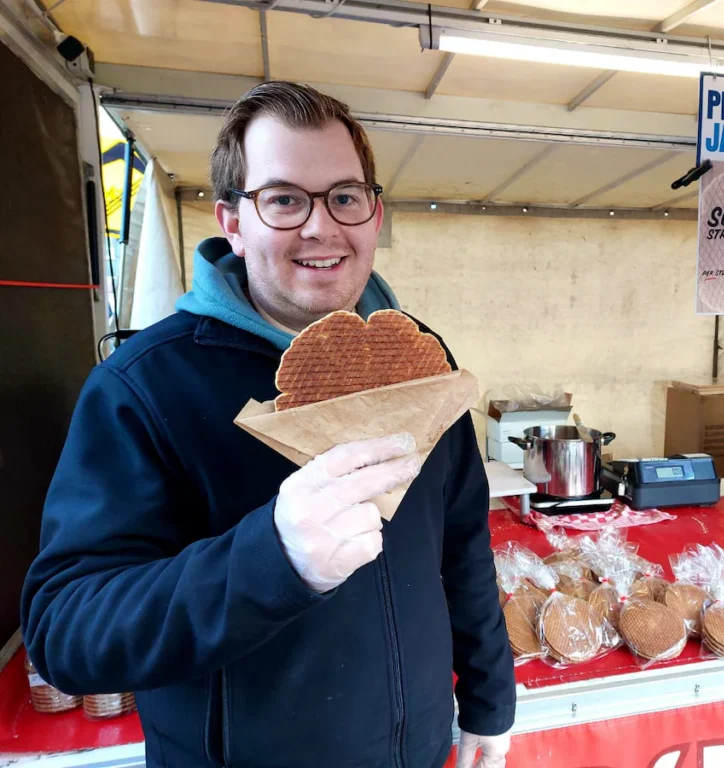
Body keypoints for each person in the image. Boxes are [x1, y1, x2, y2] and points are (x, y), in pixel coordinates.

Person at [21, 81, 515, 768]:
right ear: (232, 222)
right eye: (283, 199)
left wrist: (491, 699)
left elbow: (462, 545)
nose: (320, 226)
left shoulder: (421, 361)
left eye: (345, 195)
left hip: (417, 751)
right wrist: (269, 557)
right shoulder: (144, 387)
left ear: (373, 215)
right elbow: (65, 629)